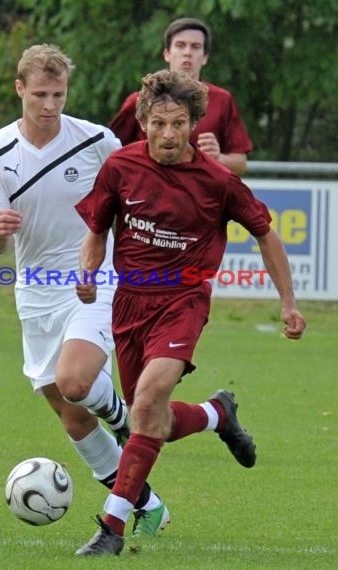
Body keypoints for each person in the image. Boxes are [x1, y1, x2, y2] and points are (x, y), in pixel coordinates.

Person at [74, 69, 307, 556]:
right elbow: (96, 228)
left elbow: (266, 233)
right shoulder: (119, 167)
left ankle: (111, 529)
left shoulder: (218, 181)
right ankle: (216, 413)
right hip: (129, 304)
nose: (166, 134)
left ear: (193, 123)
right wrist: (88, 272)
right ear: (142, 121)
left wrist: (288, 303)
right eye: (157, 123)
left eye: (178, 123)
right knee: (150, 420)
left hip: (183, 300)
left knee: (146, 402)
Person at [0, 44, 169, 537]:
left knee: (77, 383)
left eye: (58, 94)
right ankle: (148, 506)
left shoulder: (96, 140)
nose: (49, 105)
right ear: (20, 89)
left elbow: (141, 184)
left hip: (94, 277)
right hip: (34, 289)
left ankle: (125, 416)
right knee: (72, 418)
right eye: (39, 94)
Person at [109, 17, 251, 176]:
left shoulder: (222, 100)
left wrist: (218, 158)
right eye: (180, 45)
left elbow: (240, 165)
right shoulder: (139, 100)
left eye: (195, 47)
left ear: (204, 57)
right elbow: (110, 155)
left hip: (202, 197)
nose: (187, 52)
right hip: (150, 195)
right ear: (167, 53)